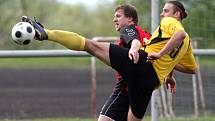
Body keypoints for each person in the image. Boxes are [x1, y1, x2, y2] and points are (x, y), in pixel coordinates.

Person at [21, 1, 197, 121]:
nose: (162, 13)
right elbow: (191, 69)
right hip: (149, 84)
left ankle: (46, 33)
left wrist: (138, 50)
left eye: (118, 16)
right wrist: (170, 74)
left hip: (138, 69)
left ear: (177, 14)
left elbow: (138, 40)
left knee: (90, 45)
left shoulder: (161, 24)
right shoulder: (174, 42)